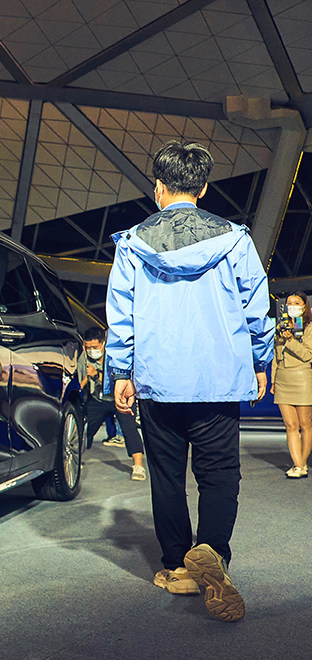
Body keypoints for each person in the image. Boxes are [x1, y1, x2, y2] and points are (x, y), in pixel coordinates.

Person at [106, 141, 274, 622]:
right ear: (202, 188)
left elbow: (122, 314)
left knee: (166, 476)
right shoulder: (234, 240)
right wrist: (260, 360)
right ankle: (212, 552)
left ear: (159, 187)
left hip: (158, 380)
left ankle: (178, 566)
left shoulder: (133, 243)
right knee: (219, 474)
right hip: (218, 379)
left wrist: (121, 371)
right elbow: (256, 307)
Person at [81, 326, 146, 481]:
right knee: (85, 429)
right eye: (88, 347)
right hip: (98, 400)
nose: (91, 351)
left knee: (129, 429)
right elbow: (81, 381)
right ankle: (76, 459)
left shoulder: (114, 356)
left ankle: (138, 466)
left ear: (103, 343)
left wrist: (96, 374)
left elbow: (116, 379)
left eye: (95, 347)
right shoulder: (83, 357)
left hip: (121, 398)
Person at [271, 290, 312, 477]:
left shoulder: (309, 327)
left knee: (305, 424)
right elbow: (275, 356)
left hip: (302, 377)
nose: (292, 306)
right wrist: (273, 380)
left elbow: (307, 355)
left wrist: (291, 339)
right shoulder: (280, 326)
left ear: (304, 306)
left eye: (296, 303)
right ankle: (298, 465)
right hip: (282, 378)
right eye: (289, 303)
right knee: (290, 424)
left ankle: (302, 464)